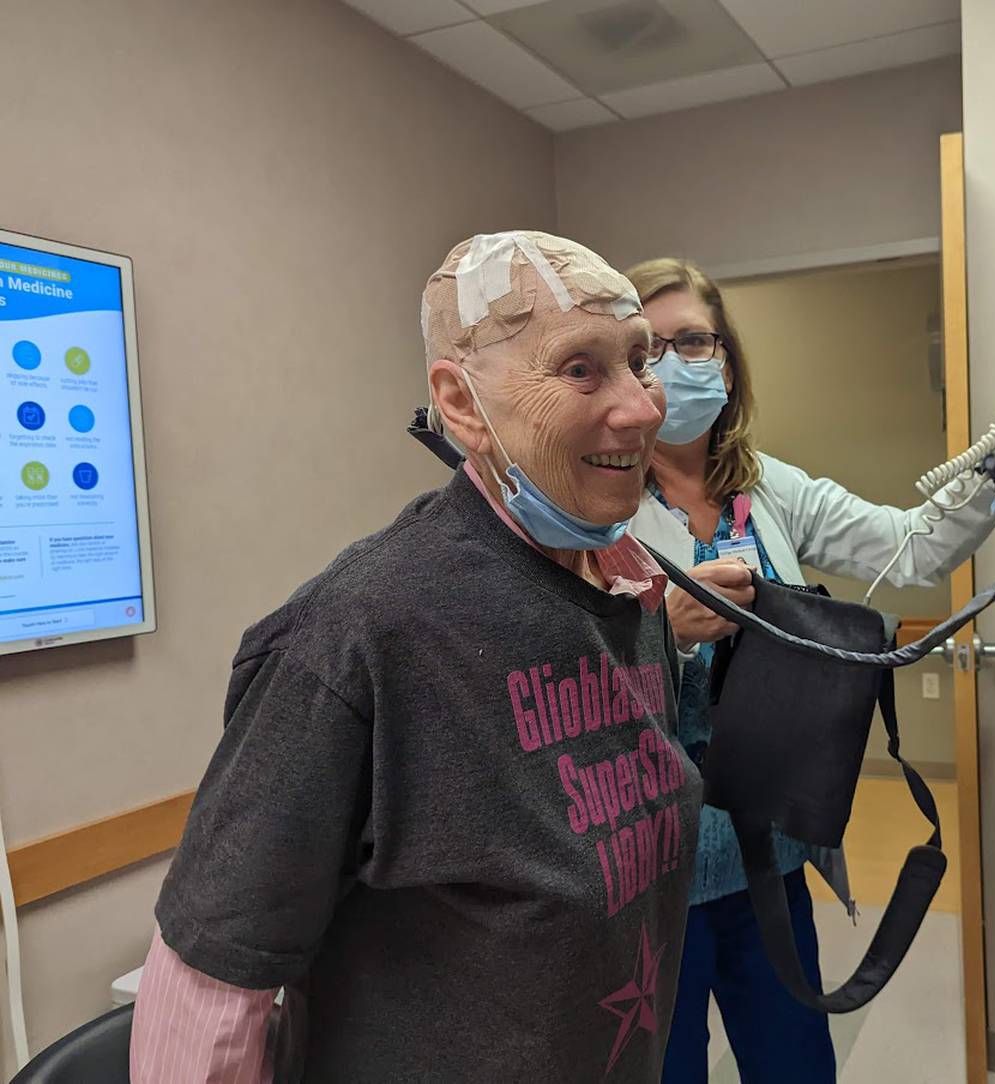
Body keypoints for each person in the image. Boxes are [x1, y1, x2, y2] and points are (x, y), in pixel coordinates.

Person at [129, 232, 703, 1082]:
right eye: (580, 369)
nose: (642, 407)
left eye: (639, 361)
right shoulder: (358, 634)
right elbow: (215, 980)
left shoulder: (633, 591)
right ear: (462, 405)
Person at [623, 256, 995, 1083]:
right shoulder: (593, 507)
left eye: (692, 340)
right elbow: (561, 680)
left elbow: (915, 547)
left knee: (795, 1064)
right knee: (667, 1072)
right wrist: (671, 634)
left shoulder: (768, 488)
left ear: (725, 356)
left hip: (766, 845)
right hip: (648, 870)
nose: (674, 363)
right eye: (648, 348)